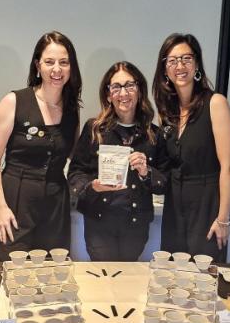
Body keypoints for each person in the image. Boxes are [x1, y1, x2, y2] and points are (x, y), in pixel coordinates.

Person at [0, 31, 81, 261]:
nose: (56, 69)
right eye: (49, 62)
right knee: (13, 274)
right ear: (38, 65)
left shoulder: (71, 109)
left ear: (71, 67)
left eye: (63, 62)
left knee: (51, 277)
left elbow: (76, 157)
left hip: (55, 207)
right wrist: (1, 206)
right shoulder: (15, 101)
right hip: (16, 203)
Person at [68, 62, 165, 261]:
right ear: (108, 94)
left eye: (130, 85)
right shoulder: (94, 129)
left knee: (128, 280)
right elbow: (75, 173)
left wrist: (147, 173)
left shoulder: (153, 134)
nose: (123, 93)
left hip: (136, 225)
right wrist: (92, 186)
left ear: (139, 91)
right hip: (99, 223)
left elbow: (165, 182)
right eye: (116, 87)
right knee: (103, 280)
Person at [152, 33, 230, 262]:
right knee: (172, 278)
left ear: (196, 63)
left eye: (186, 58)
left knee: (202, 280)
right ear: (165, 70)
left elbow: (228, 168)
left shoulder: (215, 103)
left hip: (206, 205)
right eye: (172, 60)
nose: (180, 66)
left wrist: (223, 219)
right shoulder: (167, 112)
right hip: (174, 208)